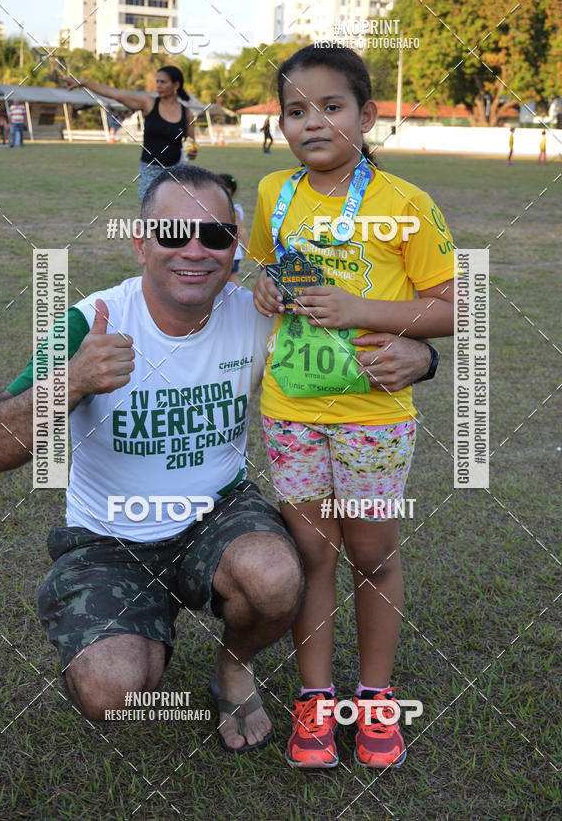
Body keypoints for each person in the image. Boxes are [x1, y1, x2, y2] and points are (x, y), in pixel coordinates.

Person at [0, 163, 438, 752]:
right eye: (172, 234)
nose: (194, 250)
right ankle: (140, 635)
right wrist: (74, 379)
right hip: (109, 538)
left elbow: (354, 340)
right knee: (111, 693)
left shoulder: (260, 313)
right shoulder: (91, 322)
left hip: (218, 514)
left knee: (275, 575)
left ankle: (234, 665)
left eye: (215, 235)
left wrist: (423, 357)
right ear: (141, 244)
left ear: (235, 248)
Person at [249, 43, 455, 771]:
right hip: (292, 407)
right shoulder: (275, 193)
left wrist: (362, 307)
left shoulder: (405, 204)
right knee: (313, 555)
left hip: (373, 415)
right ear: (280, 126)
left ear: (367, 116)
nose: (312, 123)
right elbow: (264, 272)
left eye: (330, 108)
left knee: (371, 554)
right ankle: (315, 700)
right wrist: (265, 289)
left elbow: (454, 307)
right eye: (295, 111)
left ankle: (373, 696)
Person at [65, 66, 197, 202]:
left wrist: (192, 152)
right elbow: (115, 94)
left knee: (173, 215)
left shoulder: (187, 114)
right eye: (157, 82)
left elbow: (190, 145)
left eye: (163, 82)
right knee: (149, 215)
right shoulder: (149, 104)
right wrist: (83, 83)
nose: (158, 85)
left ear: (176, 85)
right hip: (149, 171)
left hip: (175, 172)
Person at [218, 173, 249, 285]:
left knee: (231, 281)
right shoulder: (211, 207)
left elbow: (241, 230)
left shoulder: (233, 210)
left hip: (231, 253)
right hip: (218, 252)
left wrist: (249, 249)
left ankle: (242, 300)